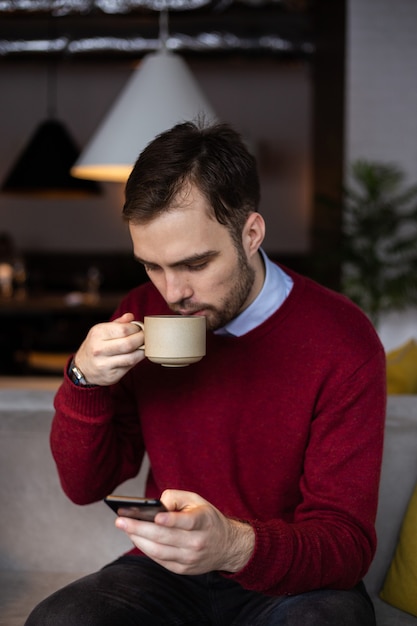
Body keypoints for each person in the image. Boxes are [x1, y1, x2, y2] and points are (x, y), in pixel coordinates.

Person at [25, 121, 386, 626]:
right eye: (152, 265)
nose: (173, 293)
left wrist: (233, 547)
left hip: (292, 585)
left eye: (194, 263)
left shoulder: (341, 338)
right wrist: (83, 381)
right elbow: (87, 486)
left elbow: (347, 544)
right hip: (166, 574)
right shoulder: (139, 311)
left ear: (252, 233)